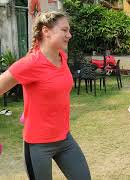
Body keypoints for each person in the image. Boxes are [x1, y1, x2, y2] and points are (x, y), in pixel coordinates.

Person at [0, 11, 91, 179]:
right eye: (64, 30)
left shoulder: (62, 56)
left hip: (64, 139)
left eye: (69, 30)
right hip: (37, 145)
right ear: (46, 31)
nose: (69, 35)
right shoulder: (30, 63)